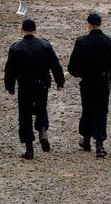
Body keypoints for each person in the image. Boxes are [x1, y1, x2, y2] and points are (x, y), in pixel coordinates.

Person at [4, 17, 65, 159]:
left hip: (25, 86)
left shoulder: (15, 48)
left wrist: (10, 86)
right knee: (41, 109)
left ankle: (29, 148)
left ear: (22, 30)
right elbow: (55, 64)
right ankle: (42, 130)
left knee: (25, 115)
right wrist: (59, 81)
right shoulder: (45, 45)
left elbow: (10, 70)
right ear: (35, 30)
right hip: (42, 84)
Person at [66, 11, 111, 158]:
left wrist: (78, 74)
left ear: (88, 24)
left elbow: (72, 67)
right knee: (101, 111)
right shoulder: (110, 42)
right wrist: (110, 77)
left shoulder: (81, 42)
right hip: (103, 82)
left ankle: (86, 139)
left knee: (87, 110)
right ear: (100, 23)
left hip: (87, 81)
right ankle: (100, 144)